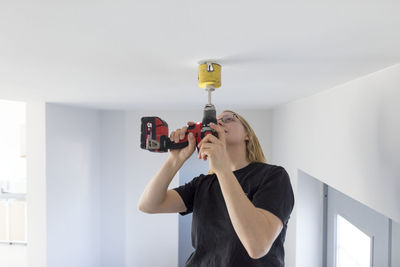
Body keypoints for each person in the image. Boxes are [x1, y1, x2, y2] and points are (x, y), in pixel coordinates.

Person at [138, 110, 295, 267]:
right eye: (214, 121)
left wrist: (223, 170)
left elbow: (257, 246)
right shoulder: (202, 184)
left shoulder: (273, 176)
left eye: (228, 119)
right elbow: (149, 205)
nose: (218, 123)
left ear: (247, 134)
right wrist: (175, 160)